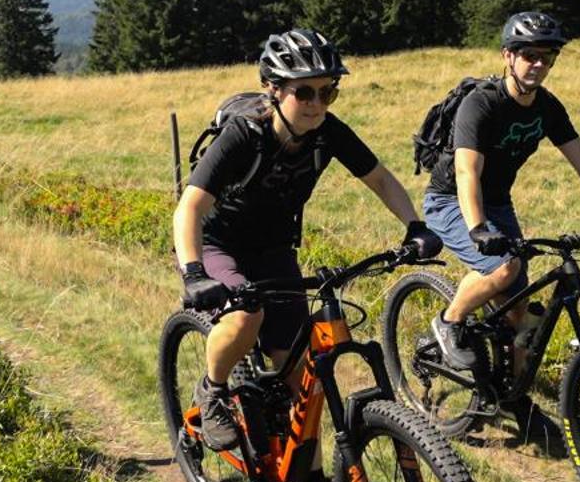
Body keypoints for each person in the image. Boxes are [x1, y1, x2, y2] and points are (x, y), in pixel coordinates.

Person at [173, 28, 439, 451]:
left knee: (301, 382)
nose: (317, 104)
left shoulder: (328, 133)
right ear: (274, 90)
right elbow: (190, 207)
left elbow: (380, 179)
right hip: (217, 244)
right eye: (305, 93)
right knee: (246, 316)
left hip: (275, 248)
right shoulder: (243, 136)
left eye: (327, 92)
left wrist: (415, 225)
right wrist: (193, 273)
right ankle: (213, 389)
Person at [420, 11, 580, 373]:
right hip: (451, 199)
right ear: (508, 55)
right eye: (529, 55)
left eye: (548, 57)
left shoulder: (547, 107)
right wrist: (478, 228)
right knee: (504, 269)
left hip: (497, 202)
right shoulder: (481, 104)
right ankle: (450, 322)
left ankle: (512, 397)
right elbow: (467, 170)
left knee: (517, 311)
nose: (538, 64)